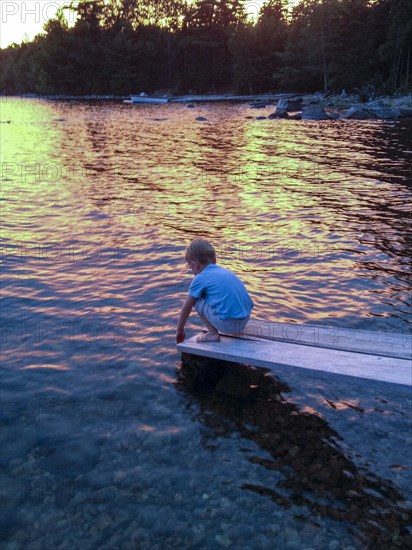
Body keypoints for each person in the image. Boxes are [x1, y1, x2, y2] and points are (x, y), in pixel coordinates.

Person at [176, 238, 253, 343]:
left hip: (229, 326)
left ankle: (212, 334)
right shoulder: (224, 271)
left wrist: (180, 329)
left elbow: (186, 307)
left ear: (195, 264)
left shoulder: (199, 278)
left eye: (191, 267)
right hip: (245, 320)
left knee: (196, 299)